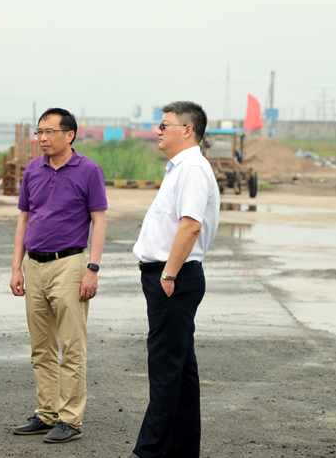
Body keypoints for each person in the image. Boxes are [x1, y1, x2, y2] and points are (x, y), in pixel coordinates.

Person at [9, 108, 107, 443]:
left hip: (69, 265)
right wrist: (16, 266)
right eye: (39, 132)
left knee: (72, 346)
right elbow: (24, 219)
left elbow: (99, 221)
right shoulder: (33, 169)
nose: (42, 138)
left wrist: (92, 269)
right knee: (41, 347)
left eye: (49, 131)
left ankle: (70, 420)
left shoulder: (89, 170)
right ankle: (46, 413)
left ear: (69, 135)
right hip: (34, 266)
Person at [129, 101, 219, 458]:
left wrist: (168, 274)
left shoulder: (192, 167)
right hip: (170, 277)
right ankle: (182, 450)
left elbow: (191, 225)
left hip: (173, 278)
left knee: (165, 369)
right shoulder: (180, 167)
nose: (158, 131)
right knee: (181, 371)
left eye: (164, 125)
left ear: (187, 130)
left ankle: (148, 452)